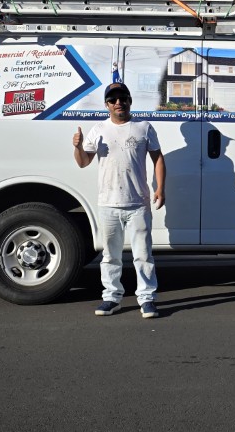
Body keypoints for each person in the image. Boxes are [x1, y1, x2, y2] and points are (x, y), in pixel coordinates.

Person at [72, 82, 165, 319]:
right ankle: (112, 298)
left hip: (138, 204)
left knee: (143, 255)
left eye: (122, 98)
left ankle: (147, 299)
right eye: (112, 100)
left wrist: (160, 188)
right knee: (110, 256)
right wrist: (78, 147)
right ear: (107, 105)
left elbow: (157, 158)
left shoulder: (144, 127)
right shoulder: (98, 129)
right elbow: (83, 162)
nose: (118, 103)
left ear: (130, 101)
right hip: (108, 204)